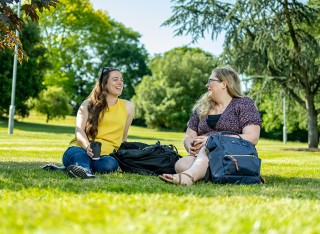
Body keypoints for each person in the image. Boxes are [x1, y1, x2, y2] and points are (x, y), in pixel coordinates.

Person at [159, 66, 262, 185]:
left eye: (210, 81)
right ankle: (232, 172)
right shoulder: (202, 106)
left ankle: (189, 177)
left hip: (231, 153)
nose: (207, 85)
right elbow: (188, 135)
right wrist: (190, 148)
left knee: (210, 145)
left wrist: (214, 140)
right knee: (181, 164)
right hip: (202, 154)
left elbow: (252, 137)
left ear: (223, 84)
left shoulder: (243, 103)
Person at [62, 67, 135, 179]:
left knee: (111, 164)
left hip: (105, 157)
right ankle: (84, 171)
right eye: (115, 79)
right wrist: (87, 147)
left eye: (121, 79)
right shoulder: (88, 104)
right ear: (104, 84)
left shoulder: (128, 107)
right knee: (79, 156)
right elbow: (79, 130)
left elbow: (123, 138)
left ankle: (76, 168)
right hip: (80, 149)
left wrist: (124, 159)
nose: (120, 82)